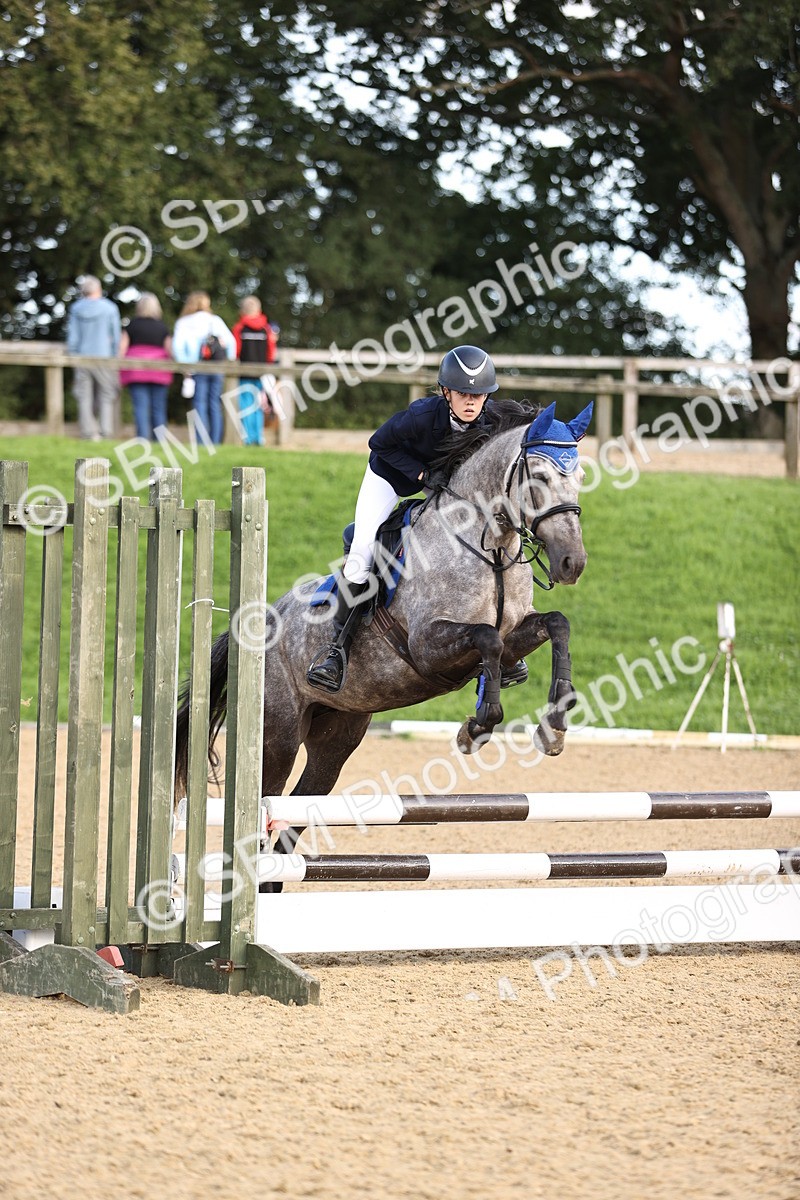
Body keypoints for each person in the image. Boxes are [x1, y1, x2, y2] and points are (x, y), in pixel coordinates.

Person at [307, 344, 528, 694]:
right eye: (462, 393)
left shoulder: (490, 419)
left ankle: (505, 641)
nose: (471, 402)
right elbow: (378, 443)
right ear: (445, 392)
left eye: (479, 395)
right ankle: (335, 652)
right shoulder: (421, 415)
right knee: (363, 551)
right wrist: (423, 476)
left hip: (442, 487)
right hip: (391, 477)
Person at [172, 291, 236, 444]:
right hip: (217, 366)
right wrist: (229, 360)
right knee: (214, 403)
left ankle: (201, 442)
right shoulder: (215, 321)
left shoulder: (184, 323)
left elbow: (177, 348)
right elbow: (231, 342)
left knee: (199, 403)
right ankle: (215, 441)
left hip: (197, 367)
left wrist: (186, 365)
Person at [66, 275, 121, 440]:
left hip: (82, 357)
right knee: (106, 394)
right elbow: (116, 336)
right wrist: (113, 355)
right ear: (99, 289)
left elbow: (73, 337)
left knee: (84, 396)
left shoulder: (76, 309)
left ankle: (88, 432)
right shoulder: (110, 308)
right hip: (104, 357)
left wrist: (74, 355)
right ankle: (105, 431)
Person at [118, 293, 173, 440]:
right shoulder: (163, 327)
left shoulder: (131, 325)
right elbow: (170, 350)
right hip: (159, 373)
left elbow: (121, 349)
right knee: (158, 408)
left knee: (140, 408)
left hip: (136, 373)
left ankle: (142, 440)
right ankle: (160, 441)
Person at [231, 295, 278, 446]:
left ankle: (248, 438)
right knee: (259, 403)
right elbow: (271, 352)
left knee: (245, 404)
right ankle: (258, 438)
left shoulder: (239, 328)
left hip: (244, 372)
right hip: (261, 372)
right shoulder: (266, 329)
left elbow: (236, 351)